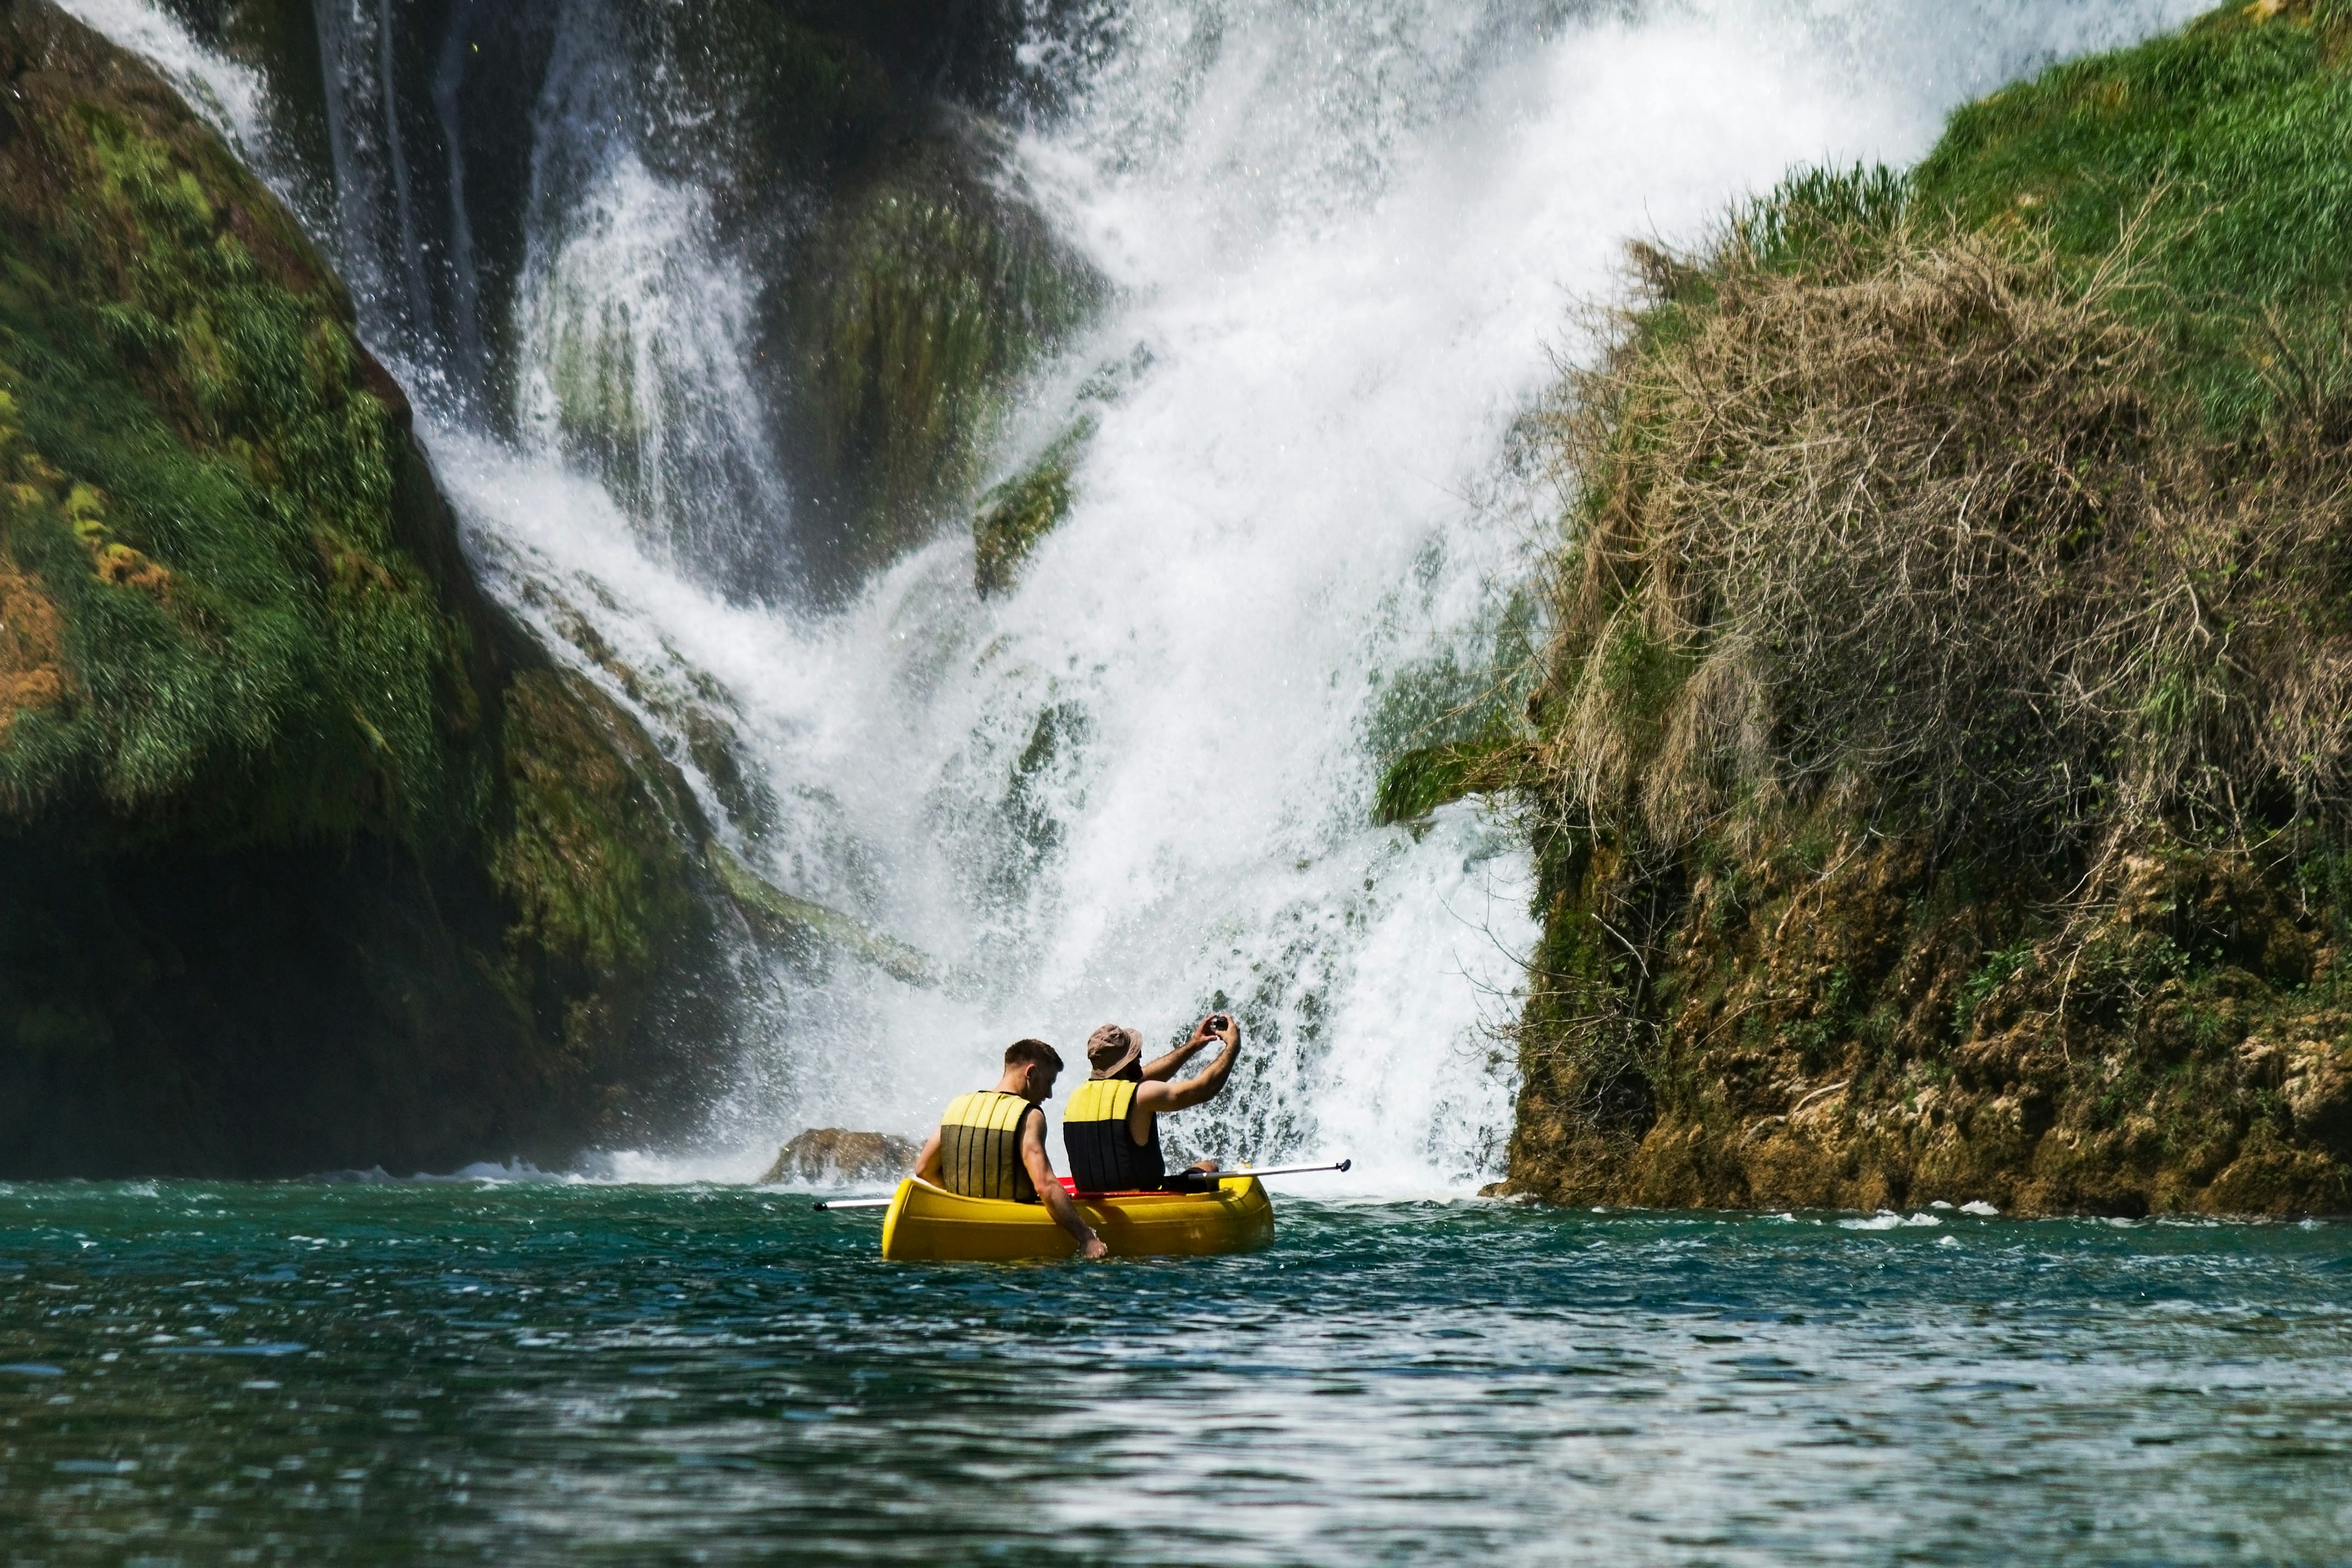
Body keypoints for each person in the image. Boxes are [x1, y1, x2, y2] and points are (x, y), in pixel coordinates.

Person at [913, 1038, 1107, 1260]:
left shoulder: (958, 1106)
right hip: (1012, 1231)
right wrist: (1087, 1238)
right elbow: (1045, 1184)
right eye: (1049, 1082)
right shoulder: (1029, 1115)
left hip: (962, 1225)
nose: (1050, 1094)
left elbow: (923, 1169)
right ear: (1031, 1073)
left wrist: (968, 1200)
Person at [1063, 1013, 1242, 1193]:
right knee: (1208, 1167)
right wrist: (1233, 1046)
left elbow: (1138, 1079)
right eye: (1134, 1054)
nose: (1139, 1054)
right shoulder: (1141, 1097)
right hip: (1144, 1200)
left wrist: (1193, 1045)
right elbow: (1204, 1089)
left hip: (1091, 1199)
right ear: (1125, 1063)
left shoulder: (1076, 1098)